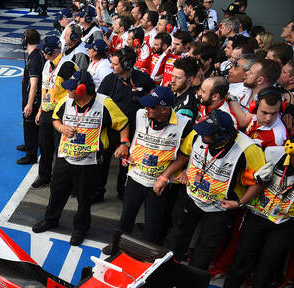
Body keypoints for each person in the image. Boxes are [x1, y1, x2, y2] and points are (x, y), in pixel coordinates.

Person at [33, 70, 129, 246]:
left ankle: (80, 229)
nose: (68, 92)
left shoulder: (105, 103)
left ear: (82, 89)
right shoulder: (66, 101)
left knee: (84, 199)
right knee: (56, 193)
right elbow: (55, 118)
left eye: (71, 89)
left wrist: (124, 143)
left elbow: (123, 123)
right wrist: (62, 128)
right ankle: (51, 219)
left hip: (89, 162)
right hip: (65, 157)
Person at [169, 109, 265, 270]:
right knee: (177, 236)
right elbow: (185, 154)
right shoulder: (197, 134)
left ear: (221, 135)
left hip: (219, 208)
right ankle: (167, 267)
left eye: (206, 134)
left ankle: (192, 280)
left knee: (206, 248)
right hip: (192, 196)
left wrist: (239, 203)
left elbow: (258, 182)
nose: (201, 135)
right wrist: (184, 171)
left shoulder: (249, 149)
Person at [215, 138, 294, 288]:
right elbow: (251, 177)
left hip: (286, 221)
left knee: (270, 261)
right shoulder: (274, 152)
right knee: (245, 253)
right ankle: (229, 287)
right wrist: (256, 176)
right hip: (259, 213)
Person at [114, 86, 194, 244]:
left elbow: (185, 155)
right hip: (136, 176)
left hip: (158, 183)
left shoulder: (184, 125)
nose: (146, 108)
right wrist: (124, 144)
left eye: (151, 106)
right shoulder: (140, 114)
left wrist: (165, 177)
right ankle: (117, 245)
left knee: (152, 224)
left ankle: (146, 257)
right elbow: (126, 129)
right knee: (126, 217)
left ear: (164, 110)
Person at [96, 46, 156, 201]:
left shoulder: (143, 79)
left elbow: (154, 95)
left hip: (134, 132)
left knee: (126, 164)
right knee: (103, 162)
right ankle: (98, 192)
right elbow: (99, 104)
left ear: (127, 65)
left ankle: (123, 192)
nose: (111, 66)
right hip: (111, 131)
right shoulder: (109, 80)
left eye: (115, 64)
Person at [33, 35, 68, 188]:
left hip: (60, 115)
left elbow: (71, 92)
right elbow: (44, 89)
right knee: (44, 145)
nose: (41, 51)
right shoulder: (47, 65)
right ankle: (44, 176)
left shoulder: (67, 65)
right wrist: (40, 109)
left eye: (43, 49)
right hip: (47, 112)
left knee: (59, 149)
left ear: (49, 50)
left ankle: (61, 181)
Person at [16, 29, 43, 166]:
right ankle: (29, 145)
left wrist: (30, 103)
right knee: (28, 125)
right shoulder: (34, 55)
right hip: (28, 96)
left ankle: (31, 155)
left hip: (31, 98)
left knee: (30, 124)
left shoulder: (34, 58)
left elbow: (34, 84)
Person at [170, 56, 200, 121]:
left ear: (190, 79)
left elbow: (175, 130)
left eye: (178, 78)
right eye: (172, 76)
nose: (173, 80)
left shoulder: (187, 107)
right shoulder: (175, 92)